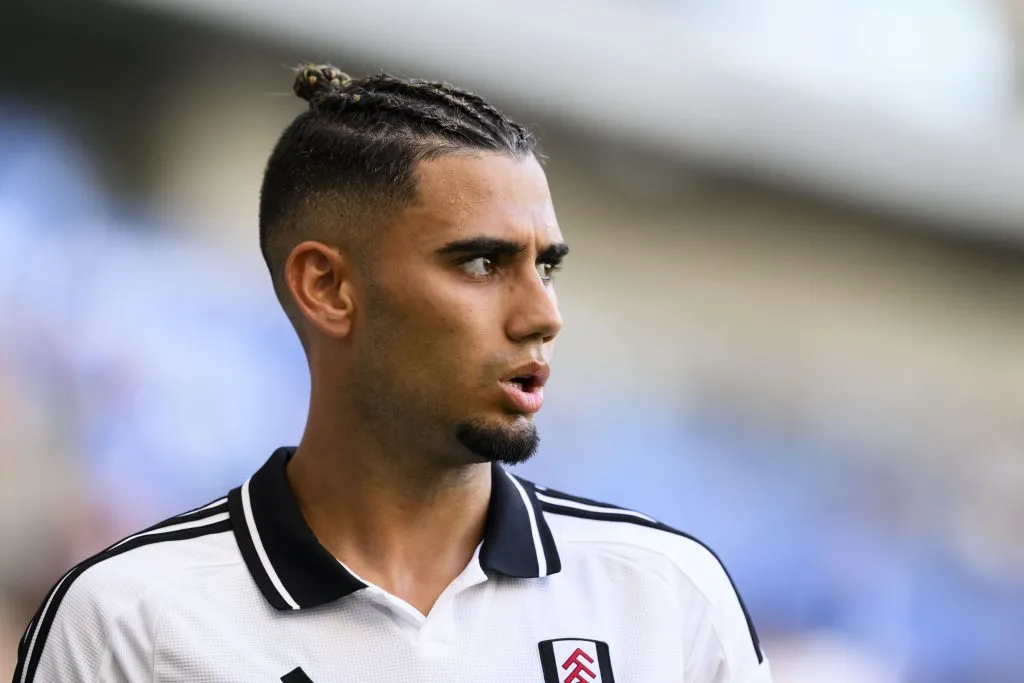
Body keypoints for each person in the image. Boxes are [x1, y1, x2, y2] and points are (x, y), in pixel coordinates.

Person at [13, 65, 772, 683]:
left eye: (547, 265)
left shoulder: (667, 597)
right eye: (482, 262)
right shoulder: (130, 620)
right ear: (329, 289)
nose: (544, 313)